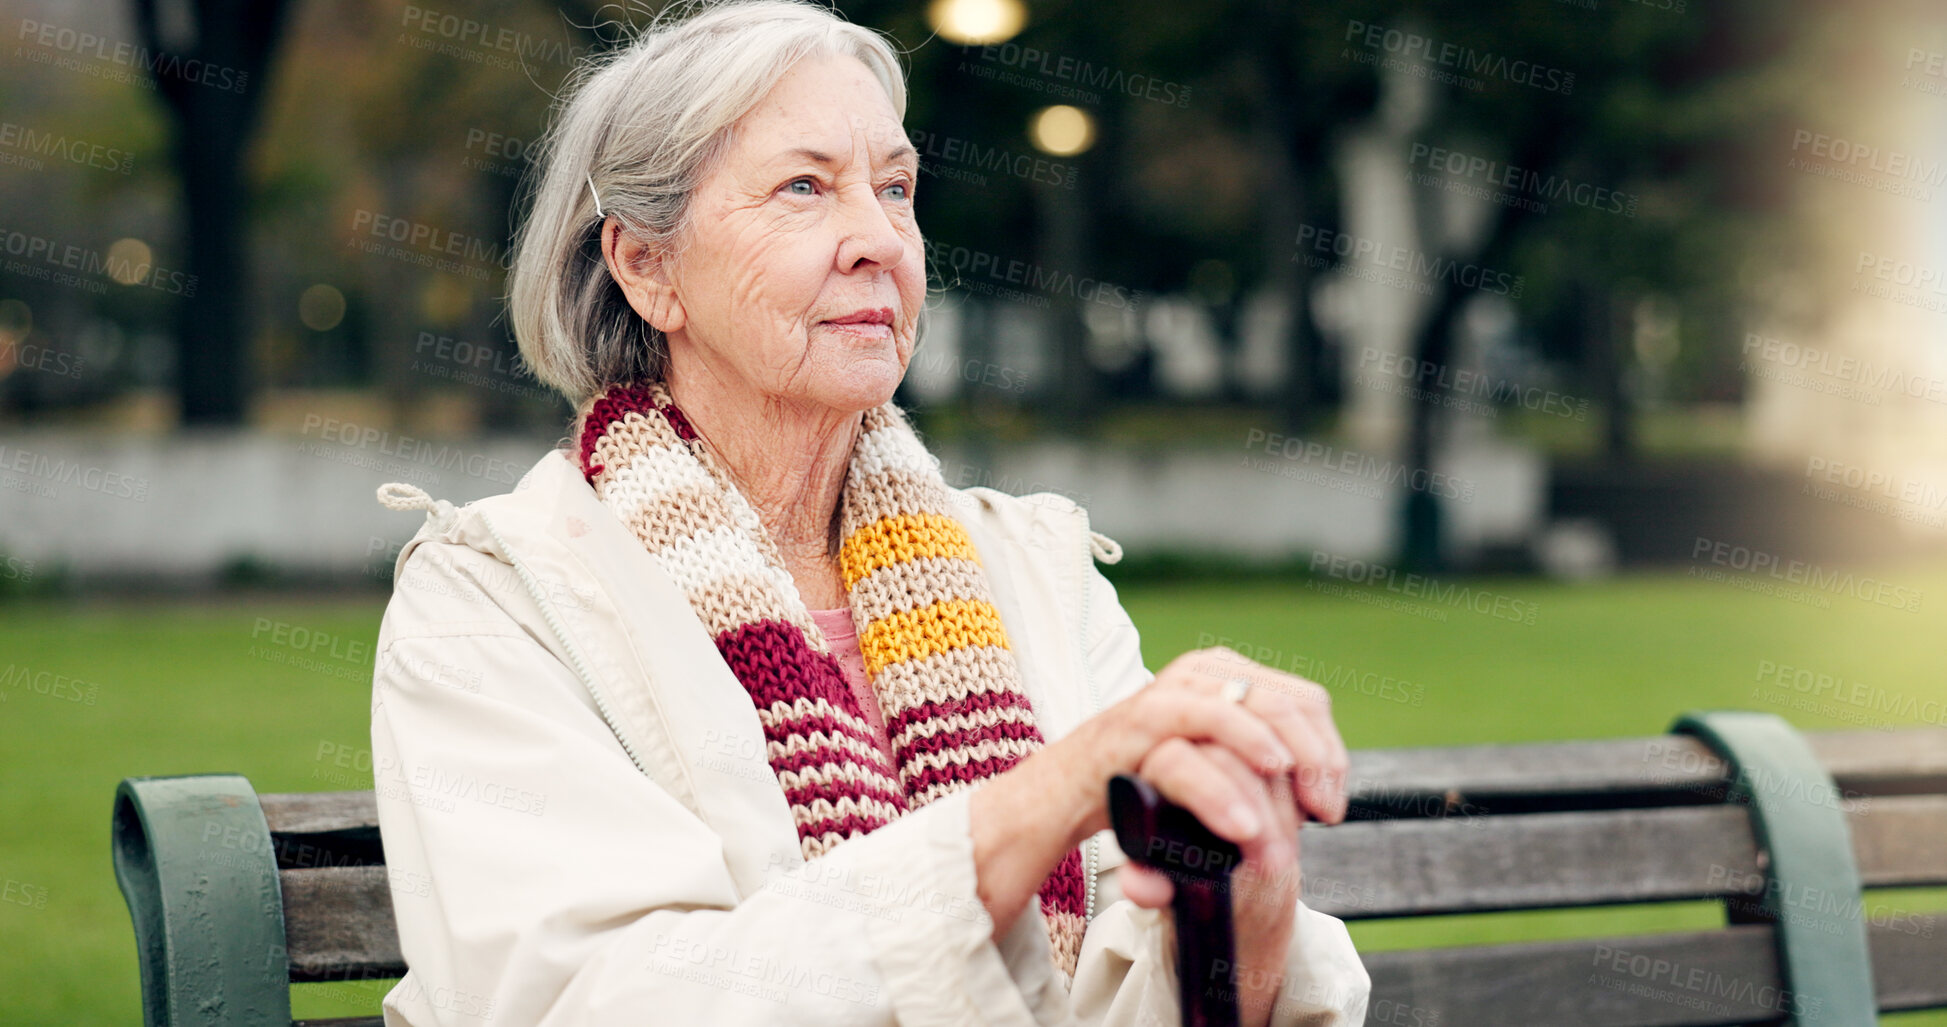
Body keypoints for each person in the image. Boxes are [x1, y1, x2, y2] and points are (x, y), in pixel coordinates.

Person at [369, 2, 1369, 1023]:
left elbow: (1124, 991)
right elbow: (591, 1002)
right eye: (804, 188)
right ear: (646, 266)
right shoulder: (495, 601)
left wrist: (1240, 914)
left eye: (895, 188)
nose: (879, 240)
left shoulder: (1030, 563)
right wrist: (1026, 810)